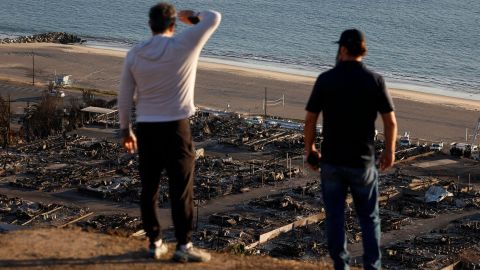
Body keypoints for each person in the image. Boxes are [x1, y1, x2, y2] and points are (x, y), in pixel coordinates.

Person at [118, 3, 221, 262]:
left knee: (149, 188)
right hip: (177, 126)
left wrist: (125, 130)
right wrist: (191, 16)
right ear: (173, 25)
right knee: (181, 188)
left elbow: (124, 95)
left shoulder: (135, 53)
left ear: (150, 25)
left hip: (147, 127)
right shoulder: (184, 44)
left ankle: (155, 242)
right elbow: (214, 17)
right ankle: (183, 246)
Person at [304, 29, 397, 270]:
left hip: (332, 160)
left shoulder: (326, 79)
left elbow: (310, 120)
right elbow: (390, 122)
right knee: (369, 218)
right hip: (362, 161)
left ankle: (341, 266)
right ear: (362, 51)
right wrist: (389, 151)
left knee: (335, 218)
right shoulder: (374, 80)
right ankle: (372, 267)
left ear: (343, 49)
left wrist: (311, 150)